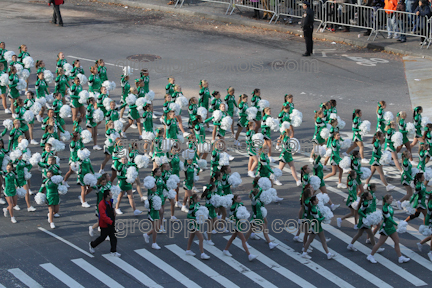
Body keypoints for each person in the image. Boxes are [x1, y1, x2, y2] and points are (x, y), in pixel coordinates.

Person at [89, 190, 121, 257]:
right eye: (110, 193)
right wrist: (110, 221)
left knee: (113, 237)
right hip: (105, 224)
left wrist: (114, 213)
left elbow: (112, 209)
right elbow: (103, 216)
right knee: (102, 237)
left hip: (111, 223)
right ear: (107, 195)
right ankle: (92, 244)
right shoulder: (102, 204)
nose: (112, 194)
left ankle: (113, 251)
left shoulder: (110, 201)